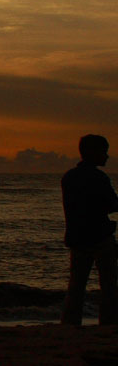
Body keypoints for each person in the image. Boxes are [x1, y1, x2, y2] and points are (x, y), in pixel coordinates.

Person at [61, 134, 118, 325]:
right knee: (109, 284)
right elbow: (111, 205)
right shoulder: (99, 178)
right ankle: (108, 321)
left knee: (76, 284)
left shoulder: (69, 177)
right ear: (92, 153)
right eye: (104, 152)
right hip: (100, 236)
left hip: (77, 236)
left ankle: (71, 322)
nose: (107, 156)